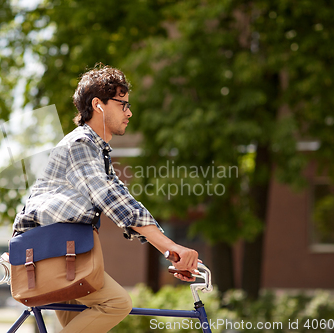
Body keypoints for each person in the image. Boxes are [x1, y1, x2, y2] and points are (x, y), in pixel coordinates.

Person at [13, 64, 200, 332]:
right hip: (52, 252)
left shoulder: (96, 152)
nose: (129, 112)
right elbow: (111, 199)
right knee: (116, 303)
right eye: (122, 104)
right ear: (98, 105)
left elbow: (122, 199)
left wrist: (168, 250)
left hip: (64, 251)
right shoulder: (81, 144)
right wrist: (171, 248)